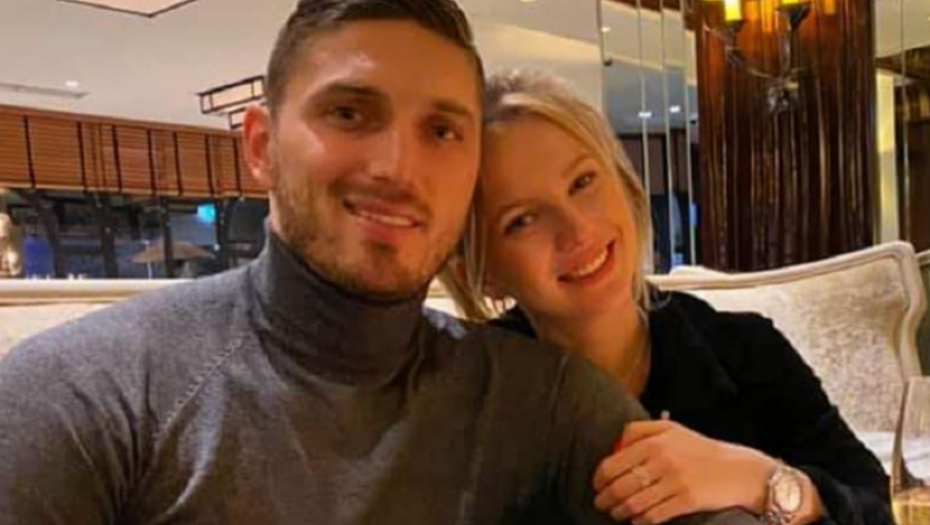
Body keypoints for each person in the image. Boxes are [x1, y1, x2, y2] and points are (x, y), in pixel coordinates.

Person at [0, 2, 756, 525]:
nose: (398, 167)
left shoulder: (545, 400)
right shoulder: (89, 394)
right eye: (349, 113)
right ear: (260, 145)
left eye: (442, 130)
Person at [440, 70, 892, 525]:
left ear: (621, 179)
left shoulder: (743, 351)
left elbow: (879, 509)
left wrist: (757, 480)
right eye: (521, 220)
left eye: (582, 182)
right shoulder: (467, 400)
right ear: (482, 274)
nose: (577, 229)